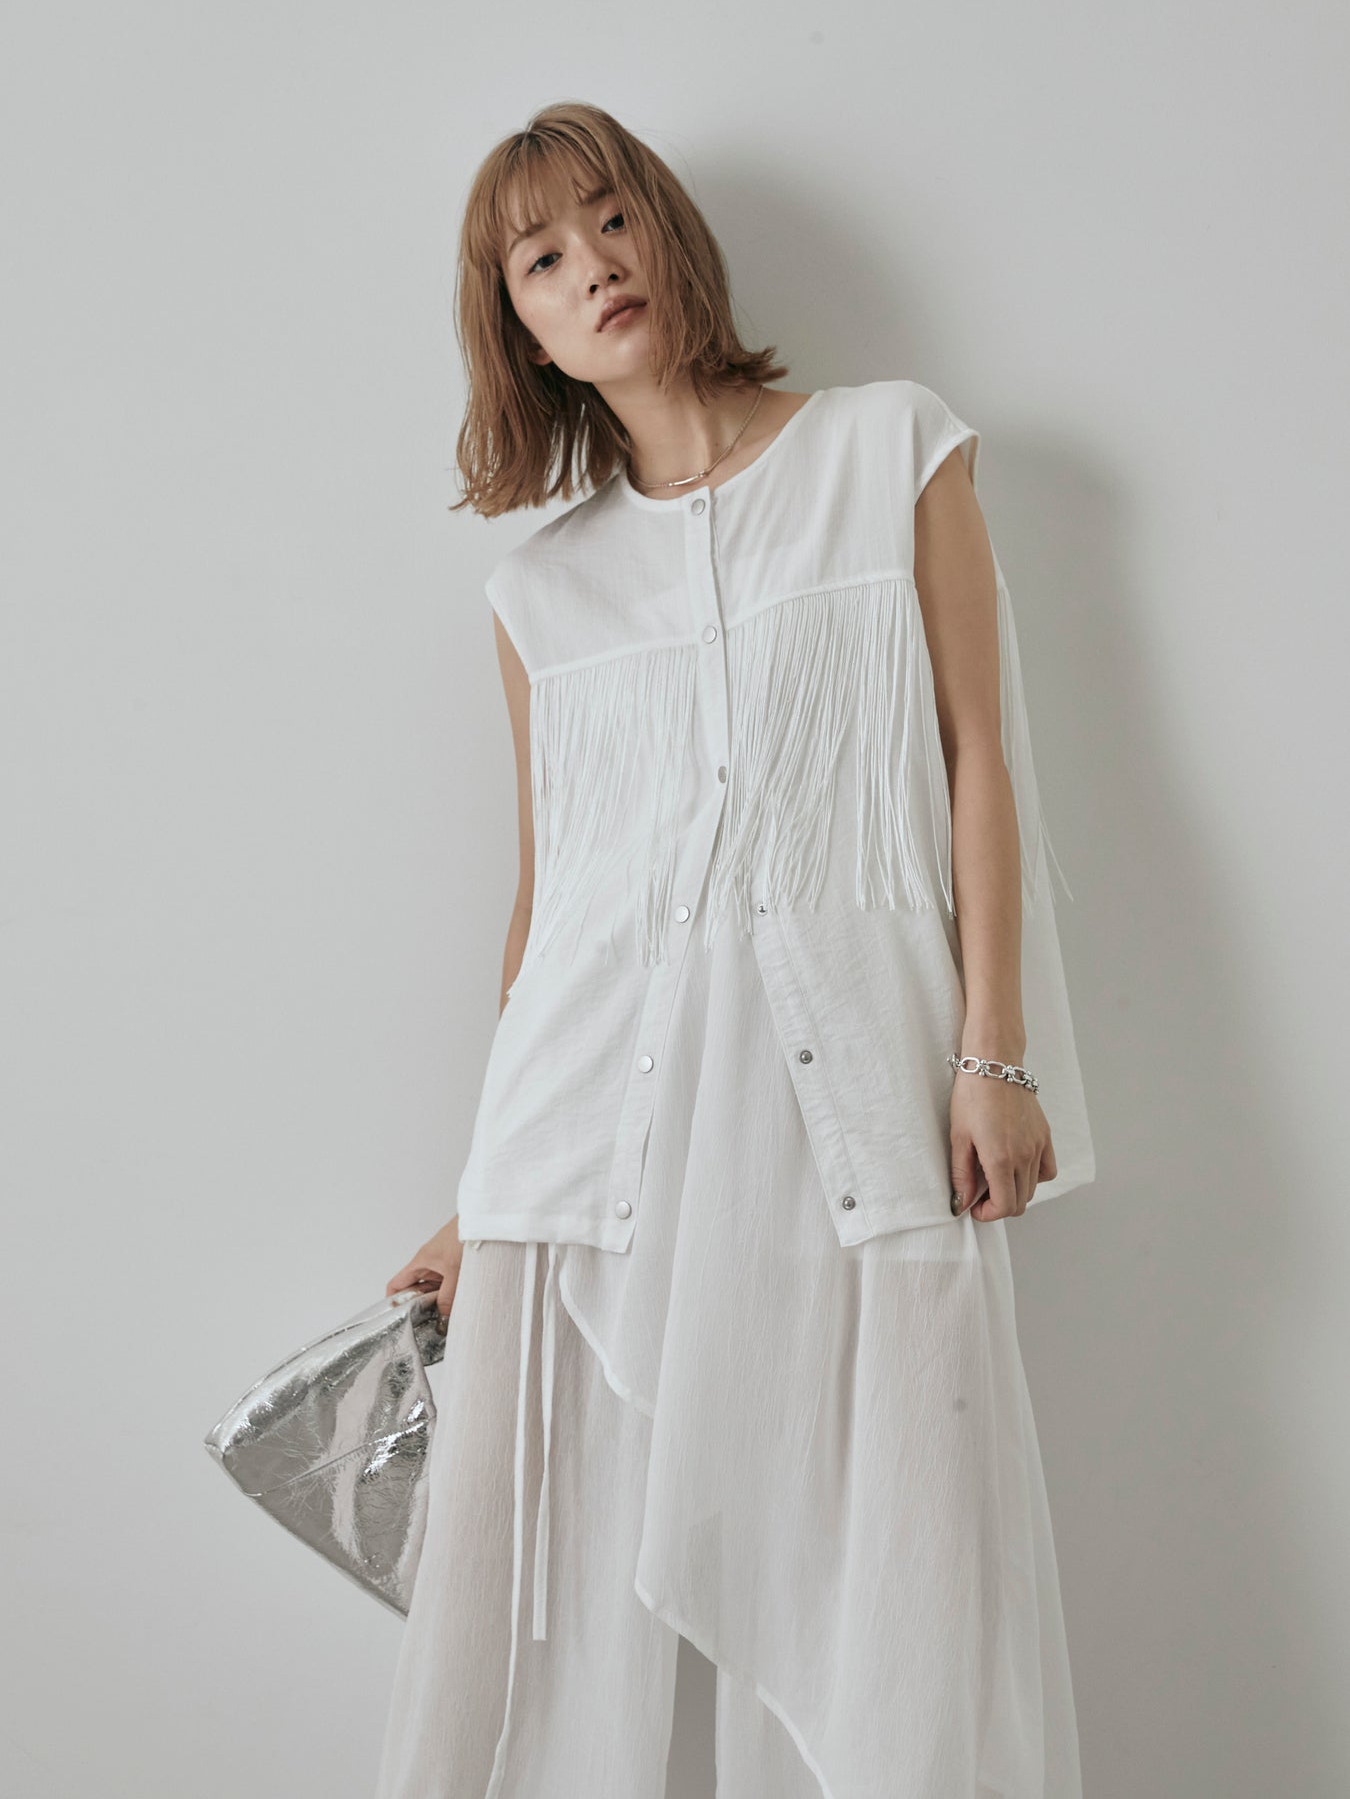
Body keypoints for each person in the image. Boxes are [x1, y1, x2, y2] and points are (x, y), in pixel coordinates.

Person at [373, 99, 1096, 1799]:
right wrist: (484, 1191)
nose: (591, 266)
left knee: (908, 1574)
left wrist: (993, 1056)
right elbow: (553, 901)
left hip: (857, 1123)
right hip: (584, 1157)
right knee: (543, 1634)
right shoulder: (540, 597)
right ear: (520, 331)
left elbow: (974, 760)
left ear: (669, 233)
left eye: (611, 219)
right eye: (540, 259)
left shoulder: (887, 449)